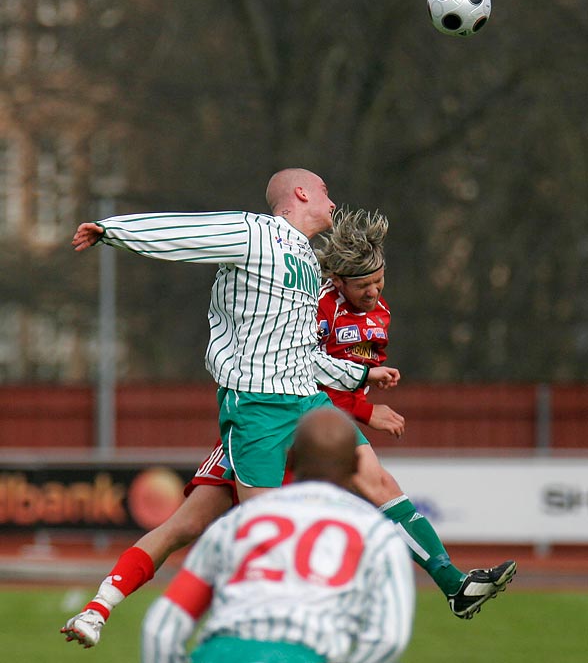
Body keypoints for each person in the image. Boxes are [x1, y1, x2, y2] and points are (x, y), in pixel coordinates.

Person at [61, 177, 515, 647]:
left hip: (306, 402)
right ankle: (110, 610)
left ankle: (454, 586)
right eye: (323, 190)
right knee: (236, 530)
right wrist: (112, 230)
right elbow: (191, 233)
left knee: (378, 483)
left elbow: (299, 353)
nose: (332, 200)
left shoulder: (304, 261)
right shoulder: (257, 234)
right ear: (299, 195)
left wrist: (359, 380)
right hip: (257, 408)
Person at [141, 406, 416, 663]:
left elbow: (162, 628)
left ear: (291, 457)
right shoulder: (376, 533)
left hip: (219, 651)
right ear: (357, 465)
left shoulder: (237, 522)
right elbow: (387, 638)